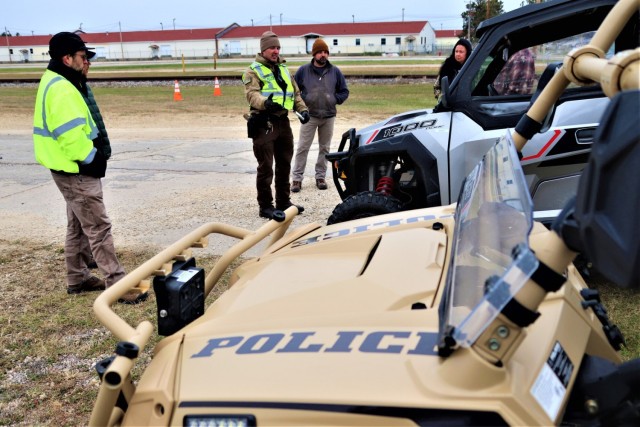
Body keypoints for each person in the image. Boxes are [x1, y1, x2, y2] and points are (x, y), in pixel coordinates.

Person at [33, 32, 145, 303]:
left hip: (66, 168)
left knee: (78, 225)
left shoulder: (59, 81)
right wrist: (92, 159)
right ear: (67, 58)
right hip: (76, 169)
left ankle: (78, 277)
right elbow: (69, 135)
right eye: (83, 57)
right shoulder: (61, 87)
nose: (87, 63)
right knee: (98, 226)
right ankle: (117, 285)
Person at [242, 31, 310, 219]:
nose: (276, 51)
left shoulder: (283, 69)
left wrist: (303, 110)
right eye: (272, 47)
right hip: (264, 123)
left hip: (283, 122)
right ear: (263, 49)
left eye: (278, 47)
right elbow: (252, 94)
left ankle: (284, 202)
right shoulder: (252, 71)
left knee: (284, 164)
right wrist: (266, 102)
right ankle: (265, 206)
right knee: (266, 167)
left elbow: (295, 94)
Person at [290, 38, 349, 193]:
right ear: (314, 54)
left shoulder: (335, 71)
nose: (323, 55)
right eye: (320, 52)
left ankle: (320, 177)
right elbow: (293, 92)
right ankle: (296, 179)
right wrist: (299, 108)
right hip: (309, 116)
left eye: (325, 52)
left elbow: (344, 91)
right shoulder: (303, 71)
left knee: (325, 148)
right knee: (303, 147)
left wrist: (334, 99)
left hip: (329, 116)